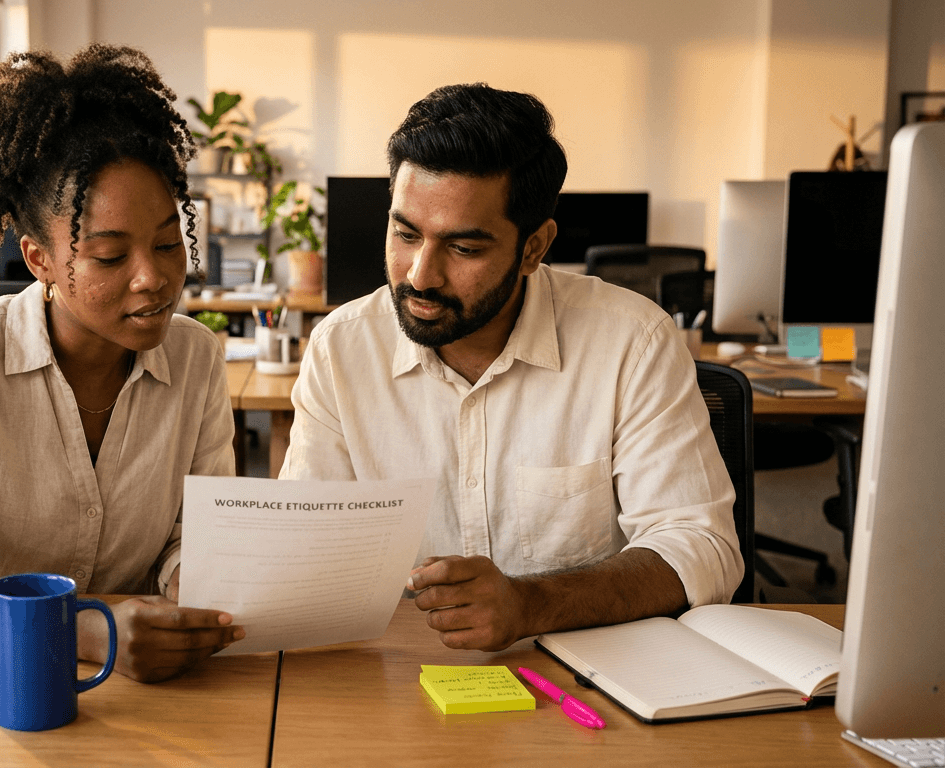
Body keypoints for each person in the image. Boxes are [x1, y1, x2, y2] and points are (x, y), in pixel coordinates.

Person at [279, 83, 742, 652]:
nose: (420, 275)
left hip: (588, 683)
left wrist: (532, 603)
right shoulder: (341, 348)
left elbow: (702, 548)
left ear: (534, 247)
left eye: (464, 248)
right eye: (405, 233)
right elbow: (305, 546)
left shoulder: (632, 342)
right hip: (403, 678)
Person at [0, 44, 242, 682]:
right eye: (109, 256)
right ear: (39, 260)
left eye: (167, 244)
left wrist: (188, 590)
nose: (154, 278)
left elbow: (199, 535)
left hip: (149, 689)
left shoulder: (196, 357)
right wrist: (88, 632)